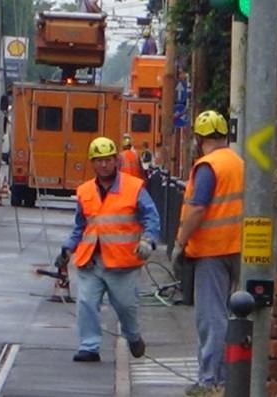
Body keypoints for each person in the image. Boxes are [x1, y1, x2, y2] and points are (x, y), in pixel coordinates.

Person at [56, 136, 160, 363]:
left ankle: (133, 337)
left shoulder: (133, 188)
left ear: (116, 161)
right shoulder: (85, 192)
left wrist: (147, 241)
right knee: (86, 303)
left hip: (123, 263)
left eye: (108, 160)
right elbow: (80, 227)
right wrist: (67, 250)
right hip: (92, 261)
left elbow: (151, 217)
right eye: (99, 160)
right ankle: (89, 346)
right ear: (92, 163)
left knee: (125, 306)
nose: (104, 165)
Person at [170, 110, 244, 396]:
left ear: (199, 138)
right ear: (224, 134)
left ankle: (211, 380)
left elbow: (198, 207)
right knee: (231, 314)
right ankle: (227, 377)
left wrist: (181, 243)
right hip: (238, 248)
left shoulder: (208, 167)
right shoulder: (238, 163)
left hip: (212, 251)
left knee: (211, 318)